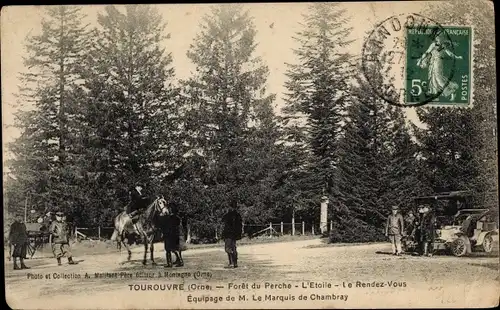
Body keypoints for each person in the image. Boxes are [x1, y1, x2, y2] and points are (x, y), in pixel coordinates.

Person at [416, 31, 463, 101]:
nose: (439, 39)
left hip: (438, 62)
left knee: (438, 78)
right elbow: (426, 53)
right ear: (436, 38)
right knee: (433, 78)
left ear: (442, 38)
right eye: (438, 37)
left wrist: (457, 57)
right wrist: (420, 60)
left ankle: (451, 92)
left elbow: (449, 53)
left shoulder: (443, 46)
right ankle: (436, 96)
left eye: (440, 37)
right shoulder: (433, 45)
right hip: (432, 62)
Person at [162, 203, 185, 268]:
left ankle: (171, 263)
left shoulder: (170, 218)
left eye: (169, 209)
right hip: (174, 235)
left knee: (168, 249)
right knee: (174, 249)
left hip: (170, 235)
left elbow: (168, 226)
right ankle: (179, 261)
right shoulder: (176, 217)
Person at [222, 200, 243, 268]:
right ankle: (235, 263)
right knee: (233, 248)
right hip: (235, 234)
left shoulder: (228, 215)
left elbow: (223, 221)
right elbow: (240, 225)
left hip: (228, 234)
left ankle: (231, 263)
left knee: (227, 248)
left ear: (230, 207)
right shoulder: (238, 215)